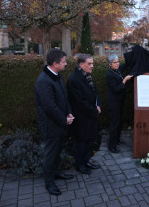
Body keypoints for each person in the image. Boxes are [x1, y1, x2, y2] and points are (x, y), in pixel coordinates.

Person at [35, 48, 74, 196]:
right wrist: (64, 119)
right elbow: (49, 107)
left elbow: (64, 98)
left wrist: (69, 112)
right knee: (50, 154)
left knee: (58, 151)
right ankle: (49, 183)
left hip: (60, 123)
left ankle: (57, 173)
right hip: (51, 125)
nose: (66, 64)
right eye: (63, 62)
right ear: (55, 63)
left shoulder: (56, 75)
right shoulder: (43, 81)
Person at [67, 54, 101, 174]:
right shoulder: (74, 79)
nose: (92, 66)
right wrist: (94, 111)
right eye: (89, 64)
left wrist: (98, 104)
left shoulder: (86, 75)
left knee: (89, 140)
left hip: (90, 116)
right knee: (81, 142)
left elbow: (95, 92)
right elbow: (79, 102)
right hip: (81, 118)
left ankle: (86, 161)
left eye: (92, 63)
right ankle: (80, 164)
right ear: (81, 64)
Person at [106, 54, 133, 153]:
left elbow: (125, 65)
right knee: (114, 123)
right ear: (110, 64)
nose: (117, 64)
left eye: (118, 62)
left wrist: (133, 54)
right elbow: (116, 89)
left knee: (119, 122)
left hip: (119, 101)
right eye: (115, 62)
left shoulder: (117, 70)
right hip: (114, 102)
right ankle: (111, 146)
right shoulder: (109, 75)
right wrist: (125, 80)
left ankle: (117, 140)